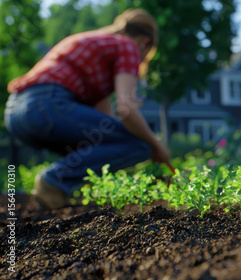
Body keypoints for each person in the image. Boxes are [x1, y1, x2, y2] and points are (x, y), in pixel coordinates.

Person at [4, 9, 171, 209]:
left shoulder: (94, 43)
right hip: (46, 106)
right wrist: (156, 144)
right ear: (145, 42)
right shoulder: (128, 45)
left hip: (16, 113)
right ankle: (54, 180)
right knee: (140, 144)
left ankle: (58, 190)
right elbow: (126, 109)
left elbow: (105, 124)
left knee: (103, 143)